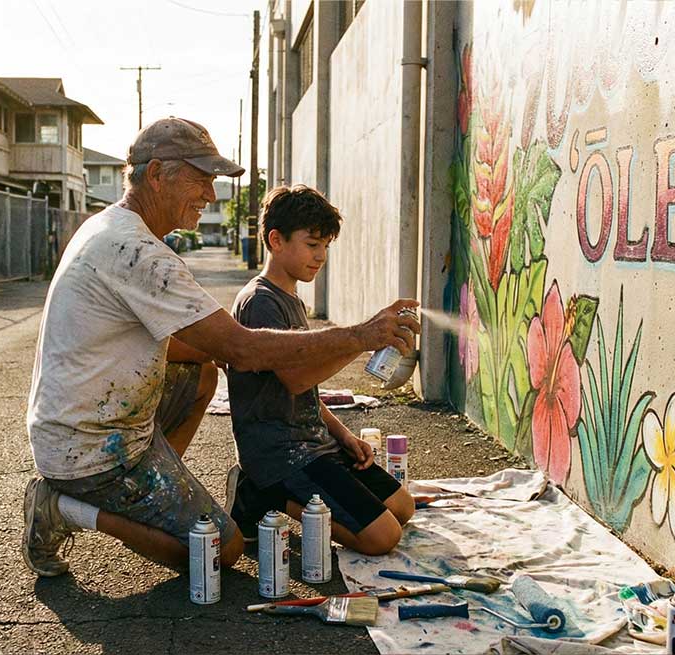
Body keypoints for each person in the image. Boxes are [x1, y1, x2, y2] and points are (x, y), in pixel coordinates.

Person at [22, 117, 421, 577]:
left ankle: (160, 484)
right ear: (156, 174)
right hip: (88, 448)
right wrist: (359, 336)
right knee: (219, 551)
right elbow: (244, 349)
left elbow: (201, 348)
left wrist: (234, 356)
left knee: (202, 371)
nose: (211, 195)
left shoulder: (109, 228)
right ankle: (62, 507)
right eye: (201, 179)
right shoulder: (138, 253)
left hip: (87, 423)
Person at [224, 185, 415, 556]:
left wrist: (344, 435)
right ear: (275, 240)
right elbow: (297, 379)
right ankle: (259, 494)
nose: (321, 256)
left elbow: (304, 393)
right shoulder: (260, 301)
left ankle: (271, 491)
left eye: (326, 246)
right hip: (281, 455)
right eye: (312, 244)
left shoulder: (291, 297)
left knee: (402, 508)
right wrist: (362, 339)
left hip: (316, 445)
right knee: (383, 538)